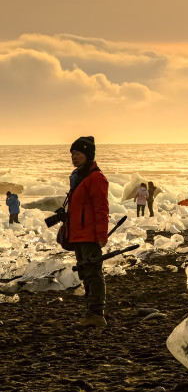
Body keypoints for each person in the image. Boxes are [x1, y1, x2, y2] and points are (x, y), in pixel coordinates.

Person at [65, 136, 110, 328]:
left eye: (78, 153)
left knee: (93, 274)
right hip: (79, 234)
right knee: (85, 274)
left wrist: (102, 235)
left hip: (90, 235)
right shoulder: (79, 177)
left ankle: (97, 315)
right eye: (72, 154)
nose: (74, 157)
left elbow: (102, 208)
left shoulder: (96, 178)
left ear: (88, 155)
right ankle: (90, 313)